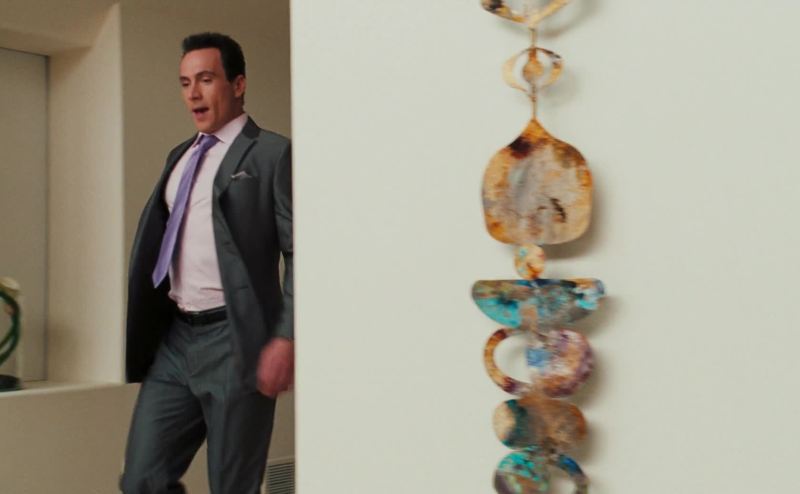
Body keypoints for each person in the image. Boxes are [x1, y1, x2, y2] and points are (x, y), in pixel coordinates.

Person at [120, 32, 293, 494]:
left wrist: (285, 337)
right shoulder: (180, 156)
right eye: (185, 83)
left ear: (238, 84)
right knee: (141, 480)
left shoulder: (273, 154)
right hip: (176, 340)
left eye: (205, 79)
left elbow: (301, 254)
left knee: (232, 486)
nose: (193, 93)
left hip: (236, 339)